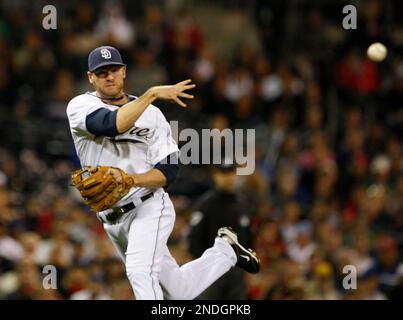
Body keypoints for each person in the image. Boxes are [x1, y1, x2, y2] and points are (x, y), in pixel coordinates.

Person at [66, 46, 260, 300]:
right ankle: (226, 252)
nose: (109, 77)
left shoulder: (152, 115)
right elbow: (111, 124)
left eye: (114, 70)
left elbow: (169, 170)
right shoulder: (80, 105)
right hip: (111, 218)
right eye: (102, 73)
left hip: (149, 205)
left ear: (124, 72)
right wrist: (153, 93)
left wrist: (130, 180)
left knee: (139, 273)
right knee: (179, 292)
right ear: (91, 77)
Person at [188, 159, 255, 299]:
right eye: (223, 173)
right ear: (215, 175)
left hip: (236, 271)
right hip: (211, 271)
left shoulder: (243, 203)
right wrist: (204, 266)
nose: (228, 177)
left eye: (231, 172)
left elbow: (248, 237)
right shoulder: (206, 204)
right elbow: (193, 239)